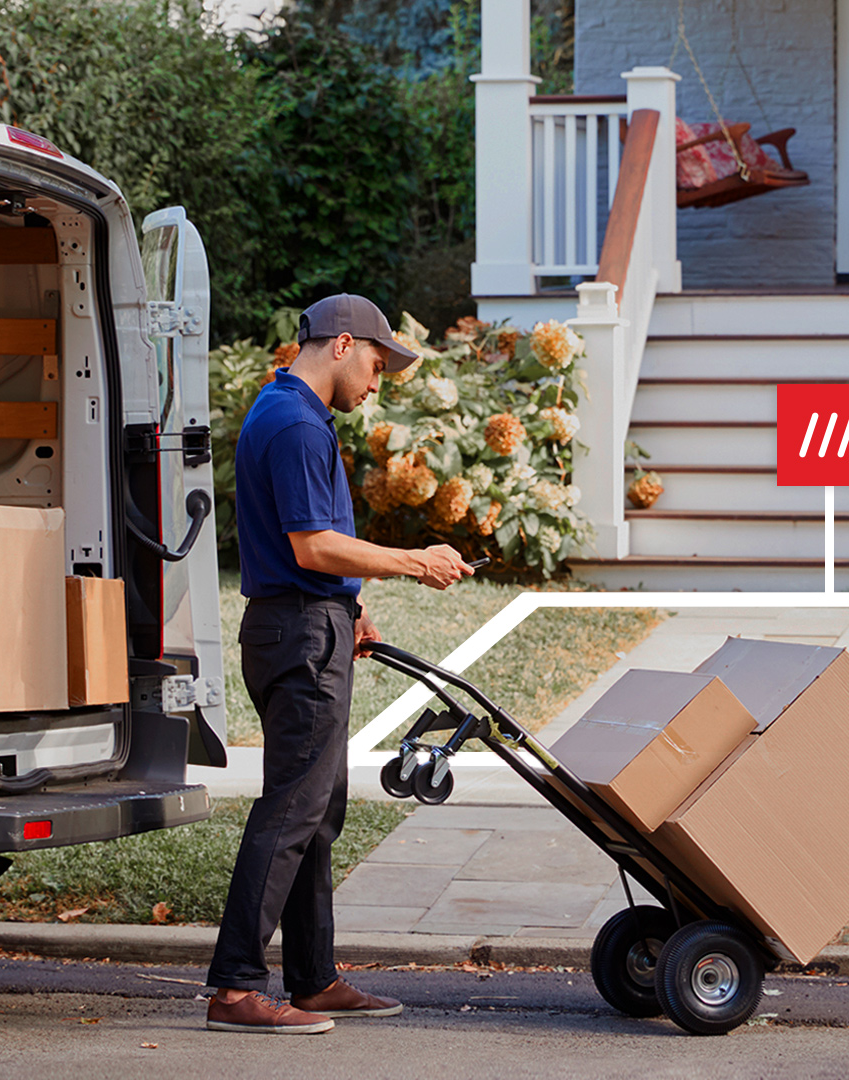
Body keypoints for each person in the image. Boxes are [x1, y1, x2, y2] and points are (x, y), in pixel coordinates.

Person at [205, 293, 473, 1034]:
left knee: (316, 811)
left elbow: (307, 548)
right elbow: (312, 545)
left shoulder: (288, 411)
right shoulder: (296, 424)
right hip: (299, 636)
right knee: (294, 809)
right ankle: (234, 989)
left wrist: (350, 606)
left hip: (301, 625)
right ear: (344, 344)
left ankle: (313, 979)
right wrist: (415, 561)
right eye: (378, 367)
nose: (377, 384)